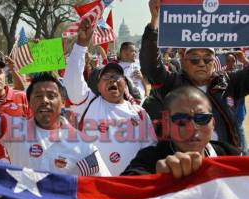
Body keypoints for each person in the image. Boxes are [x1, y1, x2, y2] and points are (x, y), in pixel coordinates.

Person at [0, 72, 110, 176]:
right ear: (29, 103)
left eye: (51, 95)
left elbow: (104, 190)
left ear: (62, 103)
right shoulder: (14, 130)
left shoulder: (85, 146)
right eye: (38, 96)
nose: (45, 100)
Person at [140, 0, 249, 151]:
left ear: (214, 60)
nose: (201, 64)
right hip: (183, 164)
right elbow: (150, 67)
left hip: (224, 164)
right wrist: (154, 22)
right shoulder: (172, 84)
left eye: (207, 59)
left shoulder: (228, 83)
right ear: (183, 61)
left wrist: (245, 61)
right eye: (195, 59)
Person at [63, 19, 157, 176]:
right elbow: (72, 79)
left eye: (117, 76)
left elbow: (149, 151)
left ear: (125, 84)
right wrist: (81, 45)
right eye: (106, 77)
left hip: (129, 187)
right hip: (95, 189)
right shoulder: (87, 103)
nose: (112, 80)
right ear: (98, 87)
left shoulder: (139, 113)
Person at [122, 86, 240, 177]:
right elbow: (122, 193)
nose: (192, 127)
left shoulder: (230, 155)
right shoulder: (149, 160)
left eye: (202, 118)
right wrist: (155, 180)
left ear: (213, 123)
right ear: (167, 125)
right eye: (181, 120)